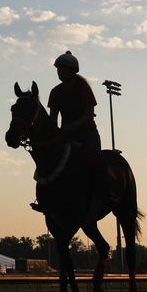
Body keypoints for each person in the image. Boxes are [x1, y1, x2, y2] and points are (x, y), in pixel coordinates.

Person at [48, 51, 104, 224]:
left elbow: (89, 115)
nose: (59, 72)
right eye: (58, 69)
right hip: (65, 135)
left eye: (62, 69)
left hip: (87, 134)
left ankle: (102, 194)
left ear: (71, 70)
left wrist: (69, 127)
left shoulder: (83, 87)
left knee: (95, 163)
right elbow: (52, 119)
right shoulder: (55, 92)